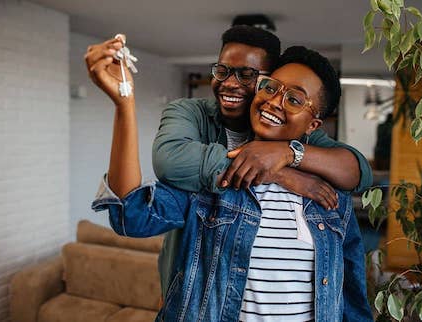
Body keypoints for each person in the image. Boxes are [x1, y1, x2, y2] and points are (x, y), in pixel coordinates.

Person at [84, 25, 373, 300]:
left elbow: (357, 172)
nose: (230, 83)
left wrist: (285, 154)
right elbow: (141, 202)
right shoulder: (200, 154)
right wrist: (277, 172)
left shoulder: (322, 188)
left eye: (247, 75)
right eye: (223, 71)